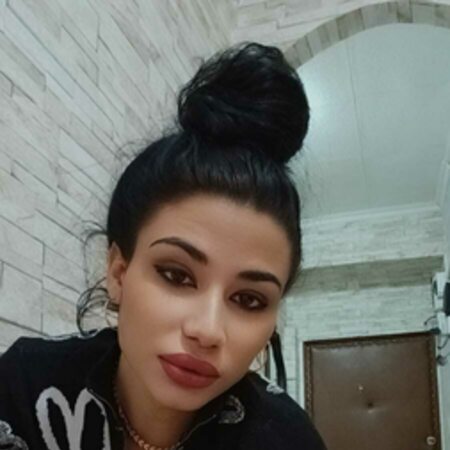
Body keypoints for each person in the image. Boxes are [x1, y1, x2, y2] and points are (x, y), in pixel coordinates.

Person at [0, 42, 327, 450]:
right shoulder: (25, 387)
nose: (207, 330)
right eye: (176, 275)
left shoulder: (287, 441)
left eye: (249, 300)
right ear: (119, 272)